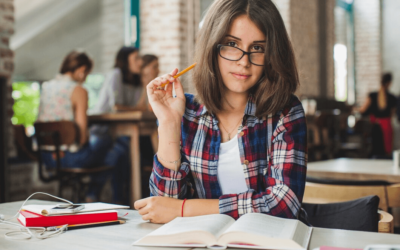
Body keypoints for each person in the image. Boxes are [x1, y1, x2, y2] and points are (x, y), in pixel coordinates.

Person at [134, 0, 307, 224]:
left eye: (257, 48)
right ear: (212, 47)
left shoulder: (286, 111)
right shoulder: (184, 112)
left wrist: (184, 209)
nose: (244, 62)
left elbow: (284, 206)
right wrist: (169, 124)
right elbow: (164, 206)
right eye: (232, 44)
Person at [37, 50, 113, 201]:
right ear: (81, 70)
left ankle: (87, 192)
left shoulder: (46, 87)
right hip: (72, 158)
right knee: (111, 145)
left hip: (47, 159)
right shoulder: (78, 90)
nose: (85, 79)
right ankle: (92, 194)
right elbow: (83, 138)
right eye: (87, 74)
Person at [93, 46, 143, 113]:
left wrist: (146, 83)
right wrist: (137, 109)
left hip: (122, 119)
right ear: (125, 60)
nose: (141, 62)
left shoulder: (136, 79)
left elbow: (138, 106)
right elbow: (116, 107)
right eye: (136, 58)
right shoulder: (116, 74)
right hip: (103, 120)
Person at [359, 73, 396, 156]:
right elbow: (392, 114)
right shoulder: (392, 98)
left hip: (375, 126)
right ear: (390, 83)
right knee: (385, 153)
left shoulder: (372, 96)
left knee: (375, 151)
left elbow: (362, 110)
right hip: (386, 127)